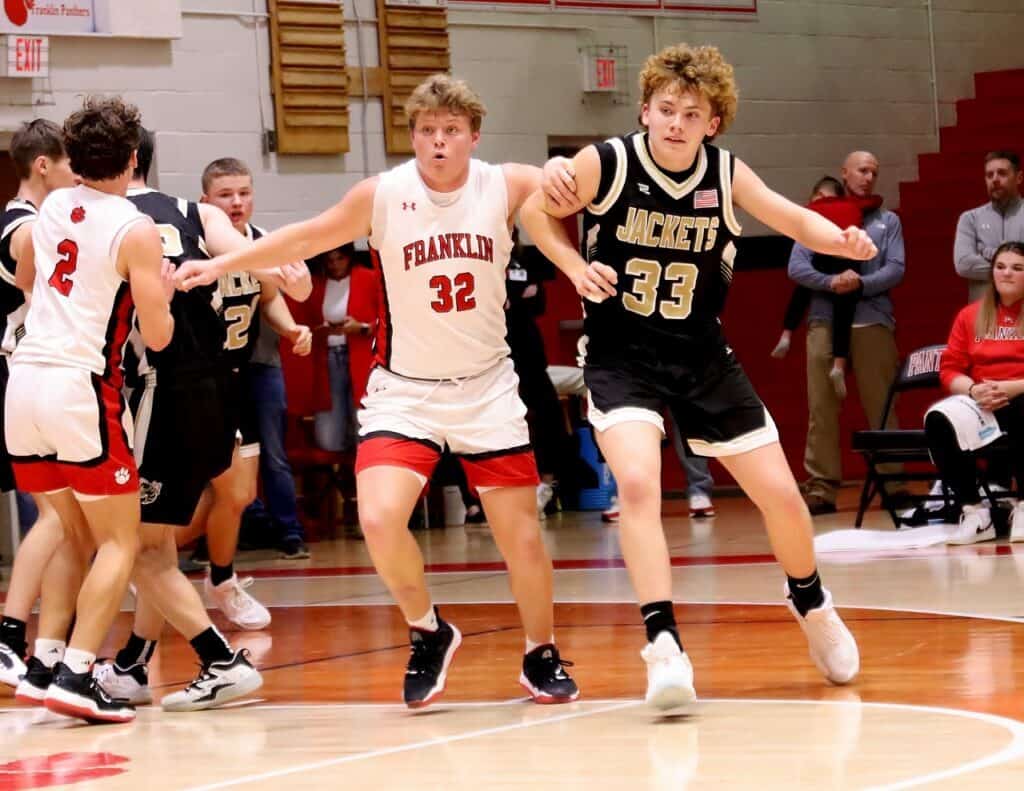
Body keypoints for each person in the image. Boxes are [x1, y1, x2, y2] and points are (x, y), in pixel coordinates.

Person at [175, 73, 580, 708]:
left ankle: (540, 651)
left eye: (451, 131)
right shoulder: (384, 193)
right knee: (379, 518)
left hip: (486, 387)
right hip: (405, 391)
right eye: (426, 132)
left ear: (474, 136)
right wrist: (223, 263)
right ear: (412, 137)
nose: (438, 143)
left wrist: (561, 163)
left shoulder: (504, 183)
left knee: (521, 538)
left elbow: (574, 173)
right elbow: (308, 236)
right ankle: (428, 630)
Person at [523, 43, 865, 712]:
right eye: (667, 109)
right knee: (641, 485)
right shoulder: (608, 162)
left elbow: (792, 218)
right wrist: (570, 265)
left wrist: (840, 241)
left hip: (703, 353)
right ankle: (664, 643)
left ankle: (811, 600)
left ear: (713, 122)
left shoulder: (726, 173)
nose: (677, 122)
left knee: (783, 498)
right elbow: (535, 212)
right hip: (622, 355)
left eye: (693, 112)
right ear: (645, 109)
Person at [6, 96, 175, 723]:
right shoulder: (136, 229)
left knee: (73, 532)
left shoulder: (49, 207)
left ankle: (45, 663)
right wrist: (157, 285)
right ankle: (78, 676)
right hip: (81, 387)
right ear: (134, 160)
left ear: (73, 159)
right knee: (119, 542)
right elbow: (156, 337)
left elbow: (27, 274)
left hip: (23, 384)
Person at [89, 130, 267, 712]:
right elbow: (249, 250)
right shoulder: (194, 211)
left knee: (140, 547)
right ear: (141, 158)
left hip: (160, 391)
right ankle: (134, 664)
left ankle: (220, 661)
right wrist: (287, 273)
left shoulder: (109, 222)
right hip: (218, 387)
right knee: (158, 541)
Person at [193, 157, 313, 574]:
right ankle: (203, 542)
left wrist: (292, 329)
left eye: (244, 193)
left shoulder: (263, 243)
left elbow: (269, 297)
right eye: (226, 195)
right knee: (213, 464)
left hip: (257, 364)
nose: (237, 202)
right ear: (206, 202)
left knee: (270, 456)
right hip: (209, 374)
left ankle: (288, 531)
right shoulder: (198, 243)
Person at [0, 120, 82, 690]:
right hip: (29, 377)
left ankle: (47, 651)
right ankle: (9, 638)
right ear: (44, 165)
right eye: (71, 164)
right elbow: (32, 263)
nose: (79, 176)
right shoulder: (21, 224)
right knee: (58, 517)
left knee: (69, 523)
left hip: (43, 378)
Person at [788, 151, 906, 515]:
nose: (868, 177)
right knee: (821, 409)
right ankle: (821, 488)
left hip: (872, 320)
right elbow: (796, 266)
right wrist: (831, 280)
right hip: (825, 320)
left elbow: (897, 268)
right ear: (845, 173)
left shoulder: (888, 221)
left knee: (882, 404)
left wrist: (860, 283)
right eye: (862, 170)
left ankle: (894, 482)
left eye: (874, 171)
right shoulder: (821, 217)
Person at [928, 241, 1024, 544]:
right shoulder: (970, 316)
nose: (1006, 273)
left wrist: (1013, 387)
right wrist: (973, 389)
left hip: (1019, 394)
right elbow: (949, 369)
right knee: (939, 420)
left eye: (1017, 268)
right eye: (1000, 266)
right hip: (983, 401)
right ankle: (976, 512)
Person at [772, 176, 883, 399]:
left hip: (822, 260)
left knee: (802, 289)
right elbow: (873, 202)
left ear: (818, 196)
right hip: (847, 263)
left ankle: (786, 334)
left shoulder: (812, 212)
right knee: (844, 309)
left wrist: (826, 280)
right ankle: (839, 365)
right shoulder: (852, 207)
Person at [954, 151, 1024, 303]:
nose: (995, 179)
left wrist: (987, 252)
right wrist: (1017, 267)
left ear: (1019, 178)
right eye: (989, 175)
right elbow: (964, 265)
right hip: (982, 315)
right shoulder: (970, 219)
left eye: (1002, 173)